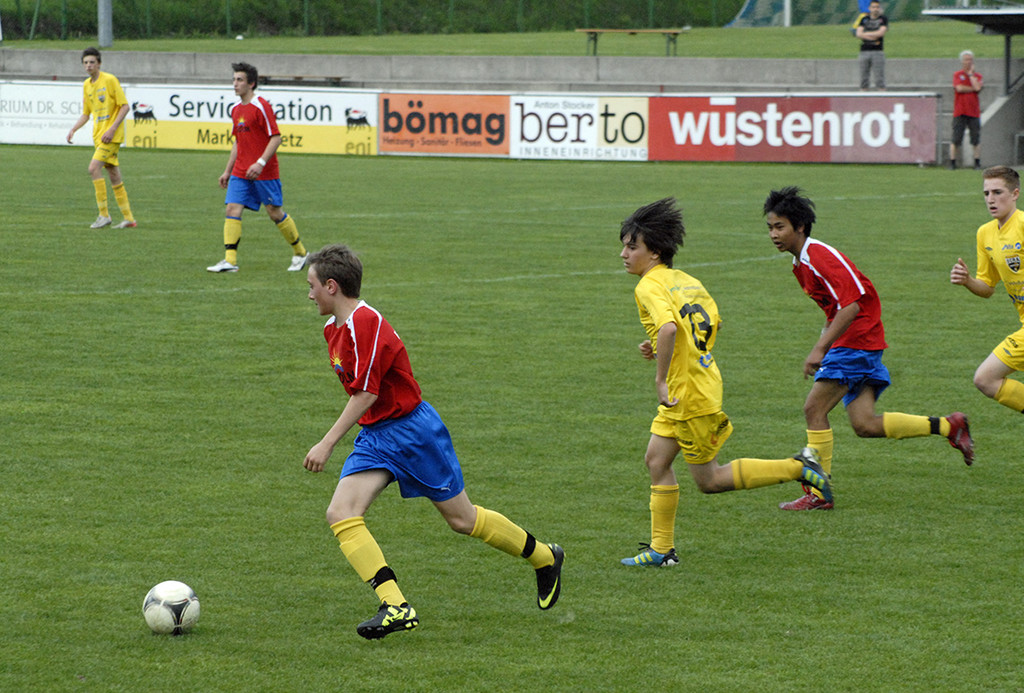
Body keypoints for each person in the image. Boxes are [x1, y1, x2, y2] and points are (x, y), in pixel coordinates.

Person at [302, 243, 564, 639]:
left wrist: (327, 443)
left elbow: (367, 392)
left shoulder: (365, 323)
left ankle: (545, 556)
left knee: (462, 519)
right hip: (376, 436)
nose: (309, 294)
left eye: (312, 286)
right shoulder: (333, 330)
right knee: (341, 513)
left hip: (413, 433)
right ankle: (395, 606)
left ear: (333, 286)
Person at [617, 198, 832, 568]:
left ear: (653, 253)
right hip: (699, 381)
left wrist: (661, 377)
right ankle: (661, 550)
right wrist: (659, 346)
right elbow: (709, 323)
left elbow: (669, 327)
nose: (623, 254)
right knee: (656, 460)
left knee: (710, 480)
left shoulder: (648, 286)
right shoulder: (684, 280)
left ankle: (798, 467)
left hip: (686, 393)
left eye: (631, 246)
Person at [765, 187, 974, 511]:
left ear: (800, 227)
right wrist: (823, 345)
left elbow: (851, 305)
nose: (774, 234)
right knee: (864, 424)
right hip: (860, 340)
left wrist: (820, 349)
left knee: (814, 410)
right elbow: (835, 309)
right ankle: (949, 425)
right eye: (770, 227)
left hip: (858, 340)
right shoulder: (800, 263)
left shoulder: (818, 255)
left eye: (780, 227)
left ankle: (818, 494)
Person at [207, 62, 307, 273]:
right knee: (232, 208)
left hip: (265, 171)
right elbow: (238, 142)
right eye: (234, 79)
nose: (235, 84)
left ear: (251, 84)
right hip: (241, 171)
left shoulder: (261, 106)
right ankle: (230, 261)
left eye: (240, 80)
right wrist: (227, 170)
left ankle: (300, 253)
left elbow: (276, 137)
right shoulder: (235, 109)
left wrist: (260, 163)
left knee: (274, 212)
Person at [950, 165, 1024, 415]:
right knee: (985, 379)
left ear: (1015, 194)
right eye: (986, 193)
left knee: (986, 378)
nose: (991, 199)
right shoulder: (985, 233)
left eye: (998, 192)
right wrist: (967, 280)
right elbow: (987, 288)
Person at [65, 47, 136, 229]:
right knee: (113, 173)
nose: (88, 65)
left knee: (93, 168)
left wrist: (112, 129)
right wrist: (74, 129)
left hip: (110, 137)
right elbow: (86, 114)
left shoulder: (110, 80)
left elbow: (125, 107)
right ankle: (129, 219)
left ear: (99, 64)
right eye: (86, 62)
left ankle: (104, 215)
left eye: (92, 62)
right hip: (99, 136)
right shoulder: (87, 85)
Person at [950, 50, 984, 171]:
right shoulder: (957, 75)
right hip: (960, 111)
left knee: (975, 138)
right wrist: (972, 89)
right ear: (962, 61)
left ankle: (977, 162)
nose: (968, 62)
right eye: (966, 60)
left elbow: (978, 88)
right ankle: (952, 162)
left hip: (974, 112)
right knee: (956, 138)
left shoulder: (977, 76)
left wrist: (971, 76)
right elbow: (959, 88)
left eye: (970, 59)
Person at [855, 1, 888, 91]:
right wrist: (872, 36)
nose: (875, 9)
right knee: (864, 77)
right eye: (873, 7)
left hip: (877, 51)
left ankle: (881, 92)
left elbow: (881, 33)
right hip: (864, 51)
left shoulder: (883, 19)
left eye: (877, 7)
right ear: (869, 8)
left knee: (879, 77)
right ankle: (863, 92)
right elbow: (858, 34)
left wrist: (866, 35)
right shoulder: (864, 19)